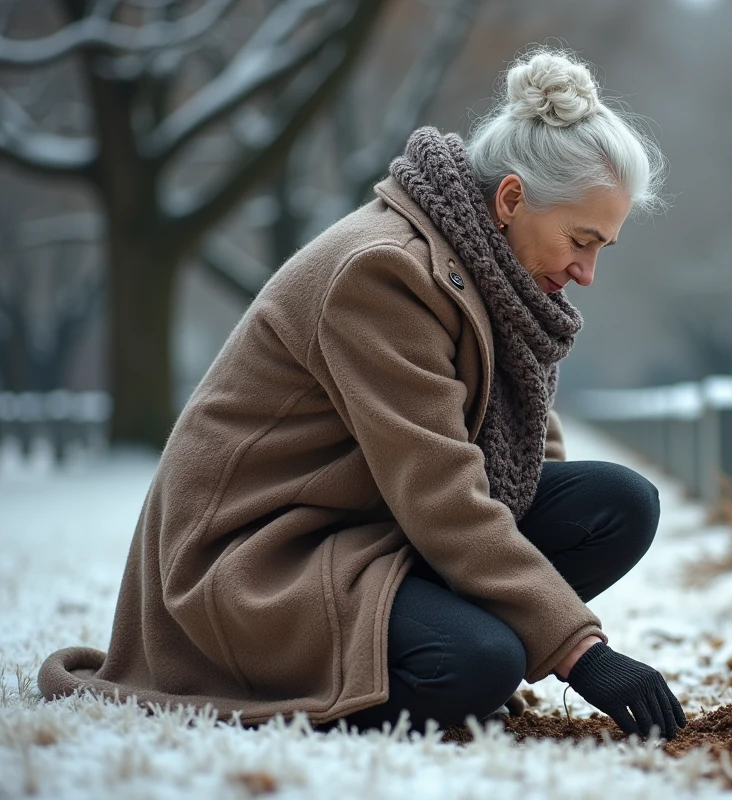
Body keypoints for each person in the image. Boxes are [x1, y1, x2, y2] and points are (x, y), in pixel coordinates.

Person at [37, 48, 687, 741]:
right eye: (580, 240)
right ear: (511, 199)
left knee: (619, 506)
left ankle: (439, 639)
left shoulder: (485, 267)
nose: (587, 272)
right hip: (258, 563)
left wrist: (550, 619)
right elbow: (442, 497)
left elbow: (525, 458)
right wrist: (583, 653)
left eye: (602, 249)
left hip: (368, 529)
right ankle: (411, 662)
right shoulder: (383, 274)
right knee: (481, 664)